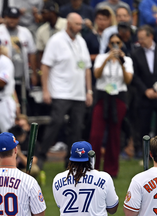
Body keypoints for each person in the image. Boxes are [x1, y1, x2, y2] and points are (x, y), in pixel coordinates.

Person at [39, 13, 93, 168]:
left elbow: (87, 68)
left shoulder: (81, 41)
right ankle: (41, 156)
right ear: (68, 24)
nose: (80, 27)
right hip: (60, 91)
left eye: (81, 24)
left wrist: (89, 91)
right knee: (56, 123)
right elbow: (45, 66)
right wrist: (45, 90)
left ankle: (71, 161)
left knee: (76, 128)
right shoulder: (56, 40)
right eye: (77, 24)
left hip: (78, 93)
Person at [90, 32, 133, 178]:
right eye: (113, 43)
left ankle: (111, 170)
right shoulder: (101, 57)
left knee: (115, 135)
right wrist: (107, 59)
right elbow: (97, 75)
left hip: (118, 97)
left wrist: (121, 63)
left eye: (118, 43)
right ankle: (93, 168)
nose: (115, 45)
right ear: (108, 44)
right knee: (96, 134)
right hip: (103, 96)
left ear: (122, 44)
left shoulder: (127, 60)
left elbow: (128, 80)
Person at [130, 25, 157, 149]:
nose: (140, 41)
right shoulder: (136, 53)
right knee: (143, 126)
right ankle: (144, 153)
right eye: (139, 39)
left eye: (142, 38)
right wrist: (145, 90)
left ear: (151, 37)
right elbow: (135, 76)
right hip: (144, 96)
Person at [0, 7, 38, 109]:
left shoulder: (25, 32)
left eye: (15, 18)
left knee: (22, 103)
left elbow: (32, 53)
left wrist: (34, 73)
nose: (12, 20)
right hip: (2, 76)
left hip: (21, 75)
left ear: (19, 18)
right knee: (6, 104)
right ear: (5, 17)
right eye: (9, 17)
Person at [35, 2, 66, 68]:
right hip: (50, 66)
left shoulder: (67, 25)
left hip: (67, 64)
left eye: (43, 12)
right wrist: (41, 70)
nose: (42, 15)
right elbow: (41, 53)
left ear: (52, 13)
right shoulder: (41, 30)